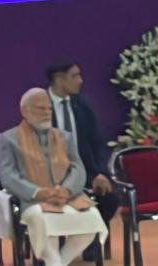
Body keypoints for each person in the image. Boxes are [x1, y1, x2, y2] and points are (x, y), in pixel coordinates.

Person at [0, 89, 107, 266]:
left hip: (68, 198)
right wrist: (39, 193)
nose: (47, 113)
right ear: (25, 111)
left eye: (49, 109)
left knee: (92, 218)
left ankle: (57, 263)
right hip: (32, 201)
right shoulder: (8, 139)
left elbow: (78, 168)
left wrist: (67, 190)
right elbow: (8, 176)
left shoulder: (64, 137)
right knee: (45, 223)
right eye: (41, 109)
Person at [46, 63, 120, 231]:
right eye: (74, 76)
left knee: (109, 199)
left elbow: (97, 141)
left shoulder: (82, 104)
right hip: (49, 176)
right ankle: (58, 243)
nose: (80, 80)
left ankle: (90, 240)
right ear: (59, 79)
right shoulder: (41, 104)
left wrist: (100, 173)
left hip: (84, 173)